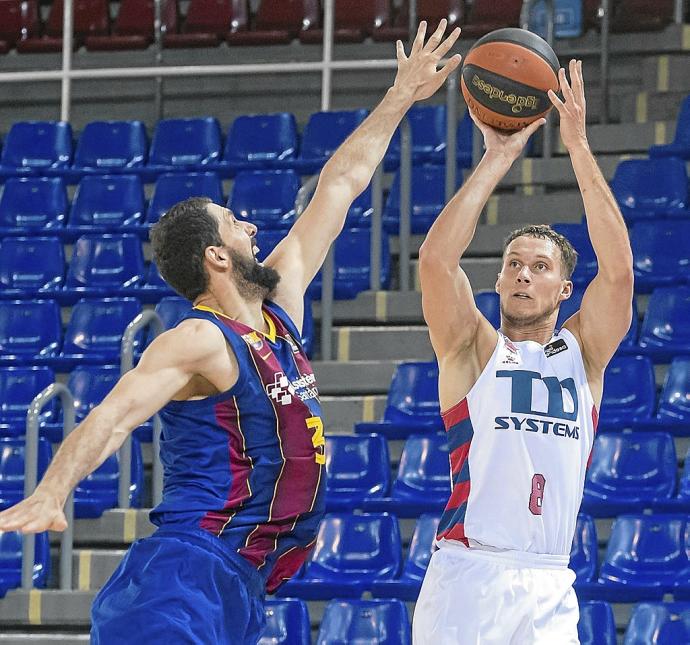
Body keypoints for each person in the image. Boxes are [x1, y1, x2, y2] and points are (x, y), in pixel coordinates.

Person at [0, 20, 462, 645]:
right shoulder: (198, 340)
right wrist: (53, 491)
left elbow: (340, 186)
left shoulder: (280, 310)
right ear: (217, 257)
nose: (250, 226)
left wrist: (400, 96)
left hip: (240, 582)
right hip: (183, 577)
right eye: (235, 223)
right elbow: (113, 415)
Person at [412, 60, 634, 644]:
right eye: (513, 264)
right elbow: (436, 263)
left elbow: (619, 271)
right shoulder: (472, 349)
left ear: (565, 290)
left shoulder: (583, 354)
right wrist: (498, 158)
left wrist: (579, 147)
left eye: (540, 268)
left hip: (549, 584)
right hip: (469, 575)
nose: (522, 275)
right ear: (498, 280)